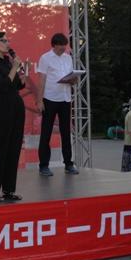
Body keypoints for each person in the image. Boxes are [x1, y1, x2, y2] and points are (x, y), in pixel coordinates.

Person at [0, 31, 27, 202]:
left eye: (8, 40)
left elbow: (15, 86)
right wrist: (15, 68)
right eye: (3, 40)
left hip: (16, 105)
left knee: (14, 148)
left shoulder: (8, 62)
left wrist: (22, 78)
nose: (7, 43)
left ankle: (9, 190)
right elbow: (1, 87)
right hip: (1, 108)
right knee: (1, 148)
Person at [36, 33, 78, 176]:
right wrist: (39, 100)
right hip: (50, 98)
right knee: (46, 133)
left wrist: (73, 79)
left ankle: (68, 164)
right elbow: (41, 80)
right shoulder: (45, 58)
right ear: (54, 45)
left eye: (65, 45)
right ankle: (43, 165)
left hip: (65, 98)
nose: (63, 48)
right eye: (61, 45)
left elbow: (72, 79)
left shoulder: (68, 58)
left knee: (66, 132)